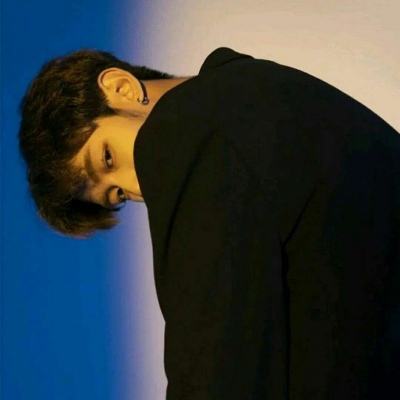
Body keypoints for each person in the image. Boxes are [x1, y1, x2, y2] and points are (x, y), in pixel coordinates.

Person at [19, 47, 399, 399]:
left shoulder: (184, 132)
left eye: (107, 158)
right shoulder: (269, 90)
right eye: (116, 194)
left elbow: (213, 367)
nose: (136, 187)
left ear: (121, 88)